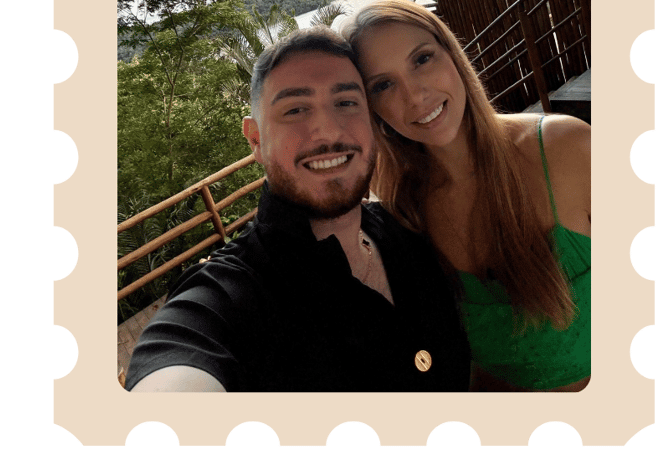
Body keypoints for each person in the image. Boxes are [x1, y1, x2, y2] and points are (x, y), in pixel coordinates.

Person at [126, 27, 471, 392]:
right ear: (256, 140)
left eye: (346, 103)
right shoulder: (232, 297)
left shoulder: (409, 231)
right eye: (295, 109)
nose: (328, 131)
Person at [343, 0, 591, 392]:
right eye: (383, 85)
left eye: (422, 59)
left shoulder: (566, 148)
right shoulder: (402, 211)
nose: (415, 96)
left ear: (452, 54)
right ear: (372, 108)